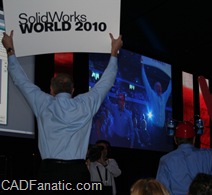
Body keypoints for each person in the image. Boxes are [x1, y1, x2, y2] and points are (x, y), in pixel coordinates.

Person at [2, 30, 123, 194]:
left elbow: (20, 80)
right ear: (73, 90)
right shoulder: (85, 104)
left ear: (51, 89)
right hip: (78, 174)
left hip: (49, 173)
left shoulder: (43, 102)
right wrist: (114, 53)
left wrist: (10, 49)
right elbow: (106, 82)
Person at [155, 76, 212, 195]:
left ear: (175, 139)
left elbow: (160, 192)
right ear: (194, 139)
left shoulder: (165, 161)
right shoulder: (208, 156)